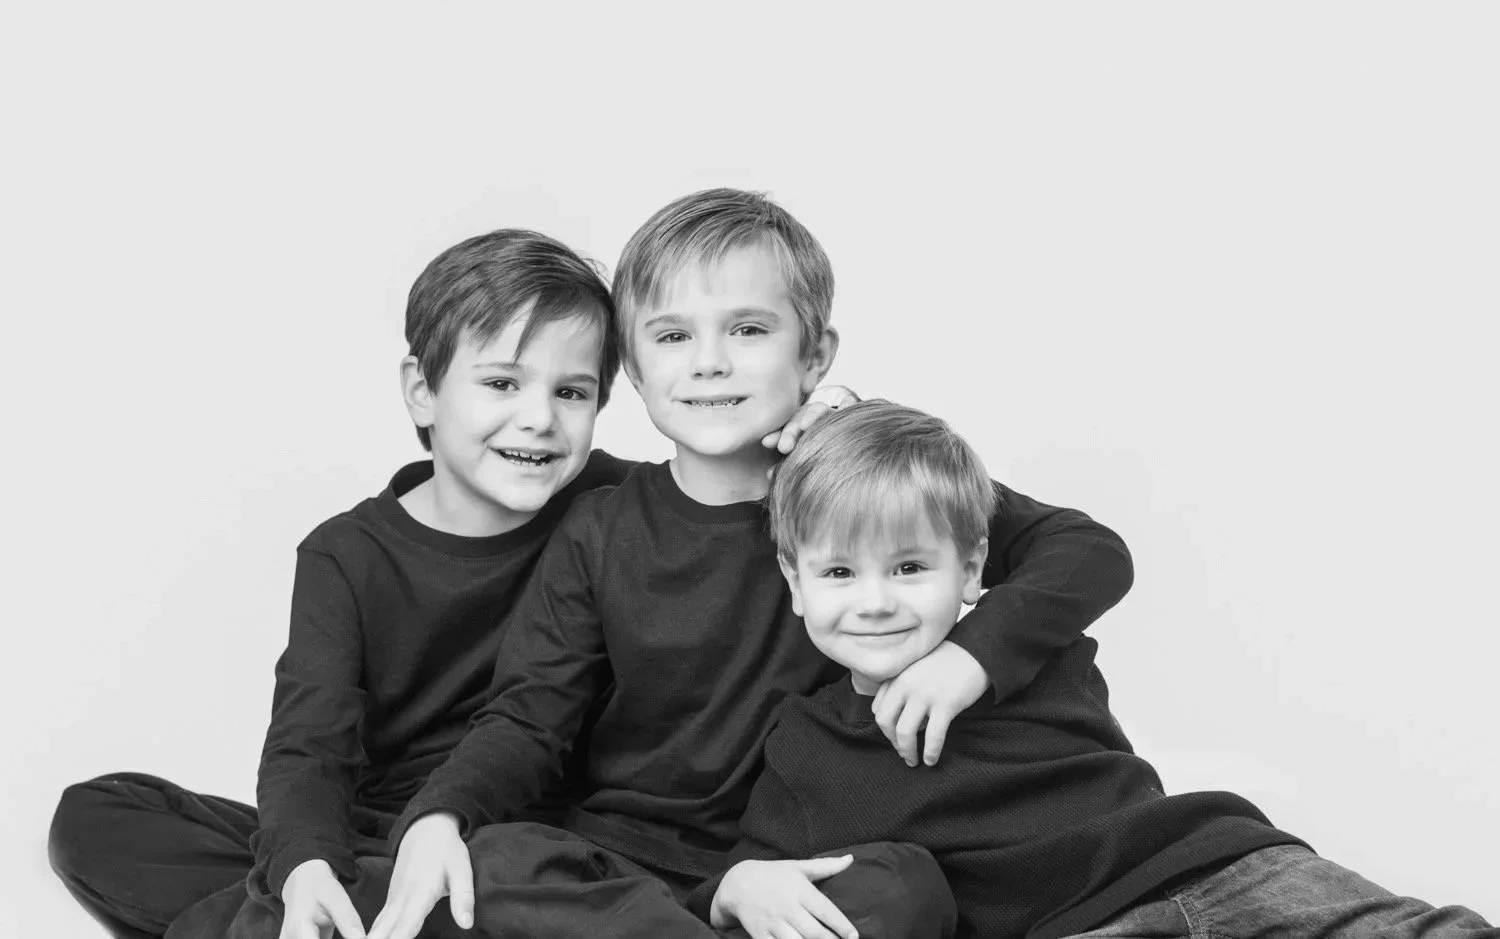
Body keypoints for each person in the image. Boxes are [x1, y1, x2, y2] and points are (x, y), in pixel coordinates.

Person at [367, 189, 1136, 939]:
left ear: (815, 355)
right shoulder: (598, 526)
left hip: (798, 850)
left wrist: (972, 655)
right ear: (629, 370)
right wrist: (442, 814)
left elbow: (1086, 551)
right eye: (672, 337)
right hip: (626, 856)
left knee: (905, 889)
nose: (709, 364)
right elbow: (528, 716)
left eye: (747, 330)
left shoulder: (855, 487)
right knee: (500, 856)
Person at [47, 227, 845, 939]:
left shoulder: (611, 511)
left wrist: (835, 423)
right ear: (422, 390)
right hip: (378, 825)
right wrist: (302, 863)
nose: (537, 419)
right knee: (98, 815)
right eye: (501, 383)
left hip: (529, 832)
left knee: (517, 868)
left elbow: (727, 478)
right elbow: (307, 746)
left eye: (570, 392)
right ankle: (340, 901)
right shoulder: (345, 554)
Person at [695, 398, 1498, 939]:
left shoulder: (1021, 645)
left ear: (974, 570)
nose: (874, 602)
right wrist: (734, 889)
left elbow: (1088, 552)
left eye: (909, 567)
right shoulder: (805, 745)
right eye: (839, 574)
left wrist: (973, 656)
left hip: (1216, 864)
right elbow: (745, 873)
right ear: (796, 582)